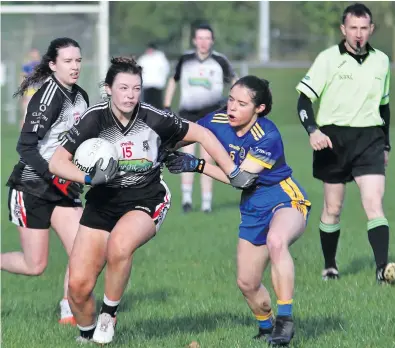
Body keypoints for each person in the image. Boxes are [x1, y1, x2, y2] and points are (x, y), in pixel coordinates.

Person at [48, 56, 256, 345]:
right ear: (108, 88)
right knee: (78, 287)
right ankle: (86, 335)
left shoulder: (153, 117)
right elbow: (57, 162)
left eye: (136, 88)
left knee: (120, 245)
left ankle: (109, 314)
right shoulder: (94, 119)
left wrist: (232, 172)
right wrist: (88, 178)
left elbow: (203, 134)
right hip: (102, 203)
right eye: (123, 88)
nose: (130, 95)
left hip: (146, 199)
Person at [164, 75, 311, 346]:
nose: (232, 107)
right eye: (231, 99)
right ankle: (267, 330)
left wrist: (197, 165)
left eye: (242, 104)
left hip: (284, 196)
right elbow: (181, 139)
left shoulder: (268, 135)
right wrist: (159, 141)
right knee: (247, 283)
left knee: (277, 241)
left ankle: (285, 321)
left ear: (259, 109)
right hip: (252, 206)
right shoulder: (217, 121)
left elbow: (241, 178)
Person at [295, 3, 395, 284]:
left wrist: (386, 145)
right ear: (343, 29)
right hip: (333, 140)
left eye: (364, 28)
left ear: (372, 29)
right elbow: (304, 100)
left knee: (373, 203)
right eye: (353, 28)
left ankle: (381, 269)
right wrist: (312, 130)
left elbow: (385, 106)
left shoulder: (382, 61)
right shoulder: (327, 59)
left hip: (370, 139)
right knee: (333, 208)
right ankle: (330, 265)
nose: (359, 34)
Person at [1, 37, 89, 325]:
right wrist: (54, 174)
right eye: (67, 61)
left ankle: (68, 308)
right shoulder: (47, 98)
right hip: (32, 187)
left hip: (62, 188)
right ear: (53, 65)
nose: (75, 66)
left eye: (77, 60)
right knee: (35, 265)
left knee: (83, 246)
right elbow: (25, 148)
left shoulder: (81, 97)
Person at [163, 23, 237, 213]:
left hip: (213, 118)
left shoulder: (220, 61)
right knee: (187, 155)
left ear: (212, 41)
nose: (204, 42)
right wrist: (167, 105)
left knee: (207, 160)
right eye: (200, 38)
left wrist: (236, 104)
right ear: (195, 40)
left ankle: (206, 203)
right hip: (187, 116)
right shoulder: (186, 60)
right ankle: (187, 199)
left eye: (207, 38)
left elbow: (236, 83)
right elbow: (173, 80)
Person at [137, 42, 170, 109]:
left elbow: (166, 69)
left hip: (157, 85)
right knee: (147, 104)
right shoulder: (143, 59)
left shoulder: (160, 58)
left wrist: (162, 80)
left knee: (157, 104)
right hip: (147, 85)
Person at [20, 48, 42, 127]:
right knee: (27, 111)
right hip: (30, 90)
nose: (34, 55)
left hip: (40, 90)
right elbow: (23, 77)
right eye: (33, 53)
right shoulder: (27, 65)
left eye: (35, 53)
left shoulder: (42, 65)